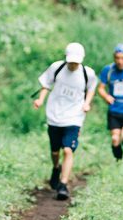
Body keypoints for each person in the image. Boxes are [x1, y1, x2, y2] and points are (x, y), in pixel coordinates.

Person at [33, 43, 98, 200]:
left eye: (76, 61)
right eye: (71, 61)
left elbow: (91, 89)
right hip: (54, 115)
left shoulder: (87, 73)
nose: (73, 64)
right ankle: (56, 167)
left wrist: (87, 103)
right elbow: (46, 84)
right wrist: (40, 100)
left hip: (74, 117)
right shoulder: (57, 68)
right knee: (55, 151)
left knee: (68, 150)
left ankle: (63, 184)